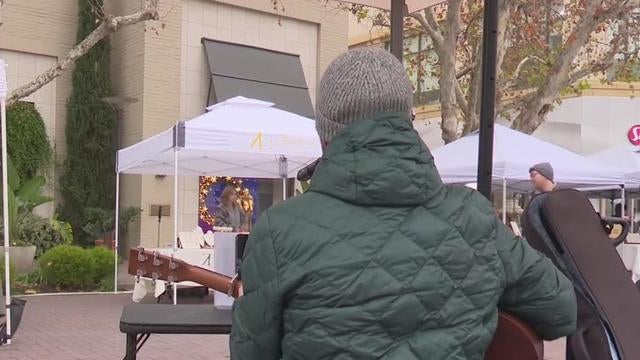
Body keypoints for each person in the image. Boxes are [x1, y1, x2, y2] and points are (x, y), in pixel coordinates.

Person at [230, 48, 576, 359]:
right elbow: (561, 309)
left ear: (324, 136)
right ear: (409, 123)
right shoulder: (473, 217)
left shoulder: (279, 231)